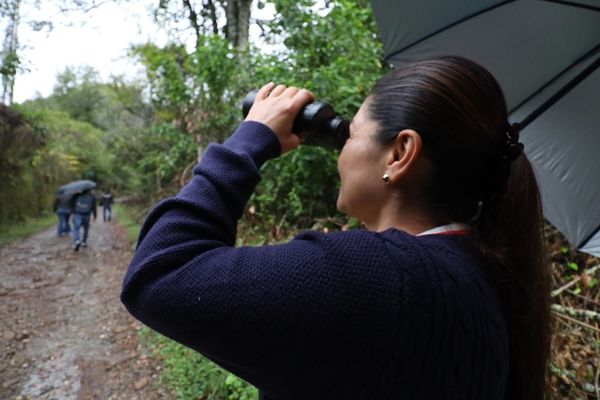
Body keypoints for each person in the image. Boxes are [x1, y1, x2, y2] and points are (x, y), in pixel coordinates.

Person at [121, 56, 551, 400]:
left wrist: (248, 141)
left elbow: (159, 273)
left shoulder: (380, 277)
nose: (341, 153)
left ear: (400, 153)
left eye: (352, 136)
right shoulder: (481, 277)